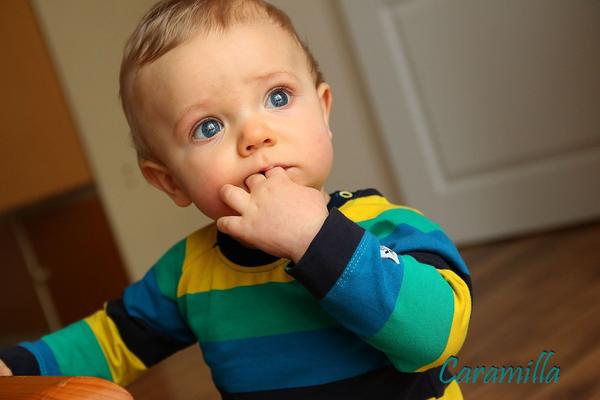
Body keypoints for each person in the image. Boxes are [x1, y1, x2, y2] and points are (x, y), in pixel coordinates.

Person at [0, 0, 472, 398]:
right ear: (170, 182)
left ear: (323, 110)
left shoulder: (388, 229)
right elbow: (110, 341)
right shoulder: (189, 272)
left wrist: (316, 238)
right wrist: (14, 368)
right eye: (208, 127)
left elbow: (434, 339)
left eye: (278, 97)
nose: (255, 135)